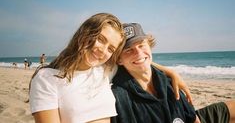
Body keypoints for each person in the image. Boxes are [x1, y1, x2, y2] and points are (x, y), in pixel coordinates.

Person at [29, 13, 191, 123]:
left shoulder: (103, 71)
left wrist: (171, 72)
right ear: (84, 32)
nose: (102, 50)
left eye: (111, 48)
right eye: (100, 39)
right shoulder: (47, 78)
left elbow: (138, 60)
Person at [111, 23, 235, 123]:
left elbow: (193, 119)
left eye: (142, 45)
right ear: (119, 60)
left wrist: (171, 72)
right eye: (128, 50)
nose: (138, 53)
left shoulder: (169, 81)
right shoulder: (119, 98)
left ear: (149, 45)